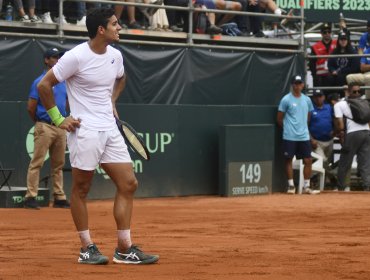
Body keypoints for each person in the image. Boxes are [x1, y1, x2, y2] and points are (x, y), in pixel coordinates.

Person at [37, 7, 159, 265]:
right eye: (115, 24)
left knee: (128, 184)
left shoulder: (116, 56)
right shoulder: (75, 57)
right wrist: (59, 119)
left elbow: (121, 79)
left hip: (110, 128)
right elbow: (44, 86)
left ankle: (124, 248)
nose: (119, 27)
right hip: (86, 130)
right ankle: (86, 247)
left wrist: (111, 100)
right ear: (101, 30)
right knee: (82, 188)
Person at [24, 48, 70, 210]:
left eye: (59, 57)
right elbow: (31, 107)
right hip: (44, 126)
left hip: (60, 127)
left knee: (58, 164)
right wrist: (40, 122)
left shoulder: (64, 82)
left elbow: (65, 104)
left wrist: (62, 120)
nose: (58, 60)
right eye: (54, 57)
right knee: (37, 162)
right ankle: (31, 196)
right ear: (46, 60)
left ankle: (59, 197)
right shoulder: (39, 81)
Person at [277, 74, 319, 195]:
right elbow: (279, 118)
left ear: (302, 85)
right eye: (295, 83)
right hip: (289, 136)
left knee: (308, 160)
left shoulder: (307, 100)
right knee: (288, 159)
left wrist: (303, 129)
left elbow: (308, 117)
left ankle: (306, 187)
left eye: (299, 83)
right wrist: (288, 129)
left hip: (304, 136)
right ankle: (291, 186)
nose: (297, 86)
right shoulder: (286, 99)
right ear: (292, 85)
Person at [333, 83, 370, 191]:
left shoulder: (339, 104)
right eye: (355, 91)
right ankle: (367, 187)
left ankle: (341, 186)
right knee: (365, 163)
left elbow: (340, 126)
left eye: (359, 91)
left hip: (353, 134)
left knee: (345, 162)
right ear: (349, 92)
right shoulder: (365, 103)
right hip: (367, 133)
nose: (357, 93)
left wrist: (335, 132)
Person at [308, 89, 335, 188]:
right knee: (323, 160)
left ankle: (320, 182)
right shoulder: (311, 109)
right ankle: (332, 178)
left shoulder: (329, 107)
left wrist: (335, 131)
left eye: (320, 96)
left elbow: (336, 120)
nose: (318, 98)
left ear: (323, 97)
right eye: (316, 96)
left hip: (329, 140)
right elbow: (306, 125)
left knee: (326, 162)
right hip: (317, 141)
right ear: (314, 98)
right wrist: (311, 139)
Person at [309, 23, 337, 92]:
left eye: (329, 32)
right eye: (325, 32)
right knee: (319, 98)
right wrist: (314, 76)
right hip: (320, 77)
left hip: (333, 75)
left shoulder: (337, 44)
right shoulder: (315, 46)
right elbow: (312, 63)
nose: (327, 34)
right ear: (321, 34)